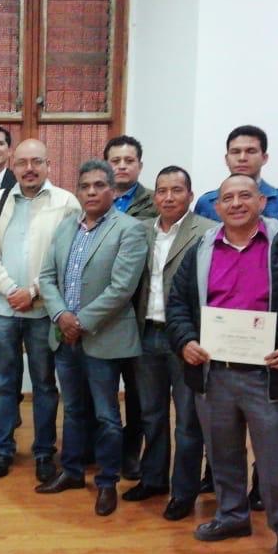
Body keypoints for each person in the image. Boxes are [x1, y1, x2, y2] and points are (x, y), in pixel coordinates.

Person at [166, 174, 278, 554]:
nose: (236, 203)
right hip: (213, 373)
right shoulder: (202, 248)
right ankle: (232, 515)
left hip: (268, 376)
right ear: (217, 206)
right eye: (227, 198)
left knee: (275, 462)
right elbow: (178, 304)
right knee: (222, 453)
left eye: (244, 196)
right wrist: (185, 340)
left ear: (261, 202)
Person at [193, 125, 278, 508]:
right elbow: (195, 276)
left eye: (250, 150)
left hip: (267, 357)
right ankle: (227, 501)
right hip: (218, 355)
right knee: (222, 438)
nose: (242, 157)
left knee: (272, 444)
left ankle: (268, 498)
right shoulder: (206, 204)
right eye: (236, 151)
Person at [36, 160, 147, 516]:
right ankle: (71, 471)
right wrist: (61, 316)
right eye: (85, 186)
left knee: (106, 415)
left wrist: (80, 322)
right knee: (73, 409)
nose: (92, 192)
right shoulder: (67, 225)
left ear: (112, 190)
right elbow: (47, 276)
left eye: (100, 185)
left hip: (103, 337)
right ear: (78, 191)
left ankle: (107, 482)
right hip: (65, 336)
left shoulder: (129, 229)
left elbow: (122, 289)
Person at [0, 138, 80, 481]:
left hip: (44, 311)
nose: (29, 169)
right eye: (22, 162)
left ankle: (44, 452)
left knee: (45, 384)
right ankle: (2, 449)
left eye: (37, 162)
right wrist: (11, 290)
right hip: (2, 308)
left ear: (49, 165)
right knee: (2, 382)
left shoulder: (66, 203)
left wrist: (33, 291)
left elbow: (70, 257)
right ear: (13, 165)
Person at [129, 166, 217, 520]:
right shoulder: (140, 231)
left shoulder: (207, 232)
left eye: (176, 190)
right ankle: (153, 479)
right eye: (162, 191)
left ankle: (184, 491)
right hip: (145, 333)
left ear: (190, 195)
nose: (168, 197)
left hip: (186, 339)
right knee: (150, 414)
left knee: (188, 420)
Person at [103, 135, 157, 481]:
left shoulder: (156, 202)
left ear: (139, 165)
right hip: (101, 314)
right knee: (102, 387)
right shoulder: (94, 200)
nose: (122, 166)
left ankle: (131, 451)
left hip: (139, 312)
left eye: (129, 160)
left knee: (138, 391)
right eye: (116, 160)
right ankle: (104, 447)